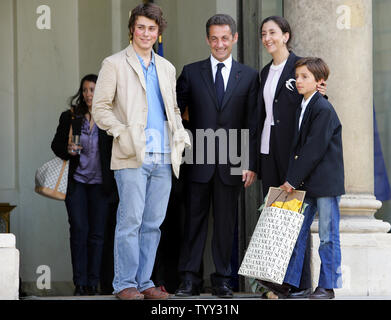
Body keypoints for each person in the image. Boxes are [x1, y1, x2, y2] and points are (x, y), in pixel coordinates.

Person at [92, 3, 190, 300]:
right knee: (130, 221)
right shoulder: (114, 64)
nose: (146, 33)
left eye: (152, 28)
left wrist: (181, 133)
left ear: (158, 33)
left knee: (152, 225)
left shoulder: (166, 67)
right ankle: (124, 284)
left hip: (163, 156)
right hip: (131, 154)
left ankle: (145, 281)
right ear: (131, 29)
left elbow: (171, 107)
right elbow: (100, 108)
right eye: (141, 27)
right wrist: (120, 131)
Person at [175, 14, 259, 298]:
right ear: (207, 39)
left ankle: (223, 279)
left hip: (232, 163)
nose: (219, 44)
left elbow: (253, 123)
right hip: (197, 160)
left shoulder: (248, 76)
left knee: (225, 224)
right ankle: (189, 280)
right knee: (193, 223)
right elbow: (175, 115)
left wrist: (249, 162)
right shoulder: (190, 72)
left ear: (234, 38)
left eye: (225, 38)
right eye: (214, 38)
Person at [260, 57, 344, 299]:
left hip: (325, 184)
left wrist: (291, 180)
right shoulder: (303, 105)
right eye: (297, 77)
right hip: (306, 183)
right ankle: (291, 283)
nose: (298, 81)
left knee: (328, 237)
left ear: (319, 81)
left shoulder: (323, 109)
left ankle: (327, 287)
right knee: (295, 234)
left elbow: (313, 149)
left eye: (304, 77)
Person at [258, 16, 327, 298]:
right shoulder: (264, 72)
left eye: (273, 32)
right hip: (267, 152)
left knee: (293, 219)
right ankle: (278, 285)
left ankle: (299, 285)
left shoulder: (299, 68)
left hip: (291, 155)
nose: (267, 38)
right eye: (263, 33)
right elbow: (261, 115)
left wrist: (323, 93)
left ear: (286, 36)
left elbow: (315, 101)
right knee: (275, 221)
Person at [51, 74, 117, 296]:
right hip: (77, 182)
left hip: (101, 184)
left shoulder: (108, 117)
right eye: (86, 90)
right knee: (79, 231)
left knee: (98, 234)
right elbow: (56, 145)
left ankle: (93, 282)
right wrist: (68, 151)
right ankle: (80, 283)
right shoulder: (71, 117)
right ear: (82, 92)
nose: (89, 94)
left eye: (93, 90)